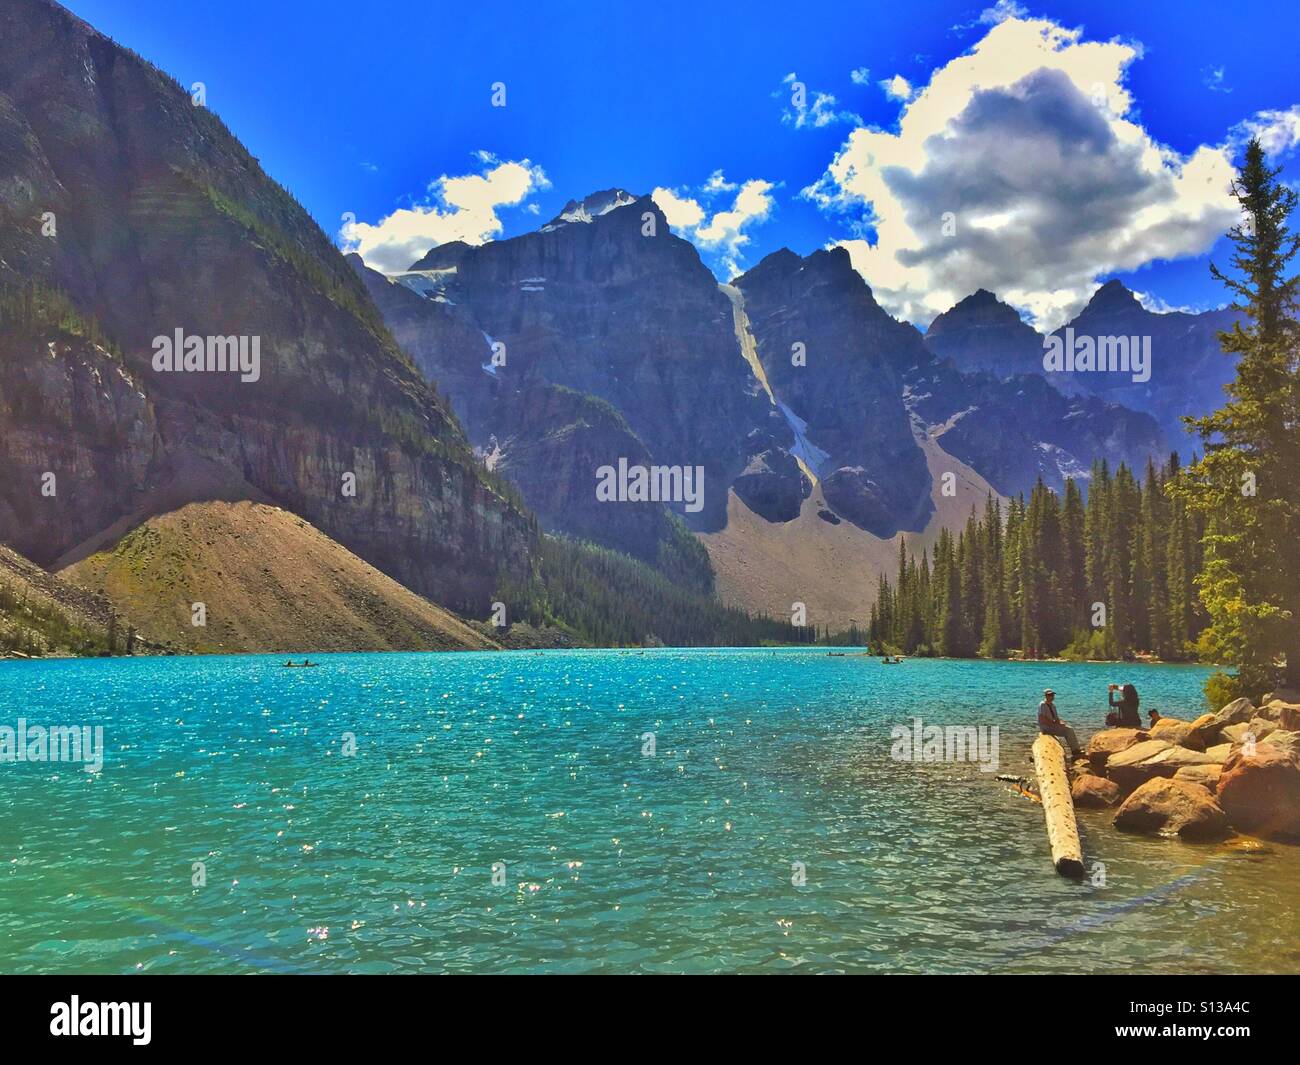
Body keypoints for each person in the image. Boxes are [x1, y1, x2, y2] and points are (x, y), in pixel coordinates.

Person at [1037, 688, 1082, 758]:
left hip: (1052, 726)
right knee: (1068, 731)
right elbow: (1042, 719)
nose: (1051, 697)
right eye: (1050, 695)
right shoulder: (1042, 705)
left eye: (1052, 695)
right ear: (1046, 696)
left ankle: (1075, 750)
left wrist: (1061, 723)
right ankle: (1075, 750)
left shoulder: (1053, 706)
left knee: (1068, 728)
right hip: (1046, 728)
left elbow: (1056, 718)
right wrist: (1055, 724)